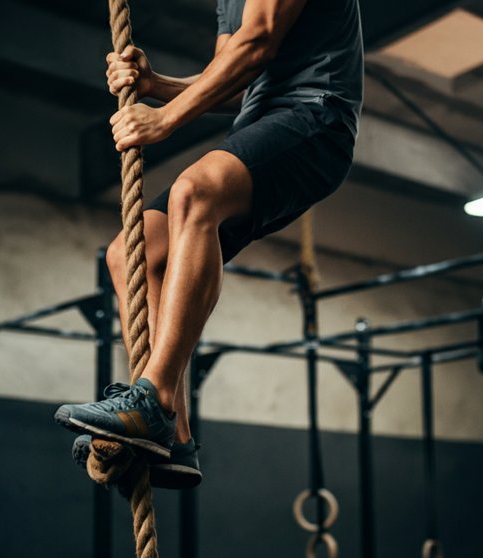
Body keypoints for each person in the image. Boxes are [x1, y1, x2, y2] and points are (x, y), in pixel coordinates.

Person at [56, 0, 363, 489]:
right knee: (132, 252)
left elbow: (258, 41)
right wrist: (159, 86)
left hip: (316, 119)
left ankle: (153, 399)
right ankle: (173, 436)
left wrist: (165, 119)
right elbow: (236, 81)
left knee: (194, 192)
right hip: (262, 124)